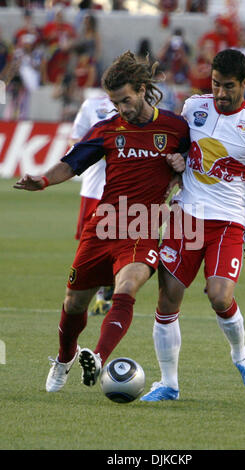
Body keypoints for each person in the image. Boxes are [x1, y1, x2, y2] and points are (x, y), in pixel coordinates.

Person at [14, 51, 190, 393]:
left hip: (143, 226)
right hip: (104, 225)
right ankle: (65, 357)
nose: (121, 108)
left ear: (141, 89)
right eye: (115, 102)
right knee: (74, 303)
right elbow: (72, 163)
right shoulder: (108, 129)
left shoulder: (175, 127)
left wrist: (181, 163)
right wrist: (44, 181)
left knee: (126, 288)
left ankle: (97, 356)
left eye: (125, 100)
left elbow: (196, 163)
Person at [140, 49, 245, 402]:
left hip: (228, 220)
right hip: (185, 215)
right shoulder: (193, 108)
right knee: (168, 299)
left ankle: (241, 355)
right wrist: (178, 161)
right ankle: (168, 384)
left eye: (228, 86)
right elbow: (182, 149)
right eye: (215, 84)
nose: (219, 93)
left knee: (220, 296)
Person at [69, 90, 116, 315]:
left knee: (117, 241)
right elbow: (74, 137)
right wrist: (95, 148)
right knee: (88, 242)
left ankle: (106, 292)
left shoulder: (136, 103)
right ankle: (94, 293)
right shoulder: (92, 105)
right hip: (93, 186)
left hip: (121, 185)